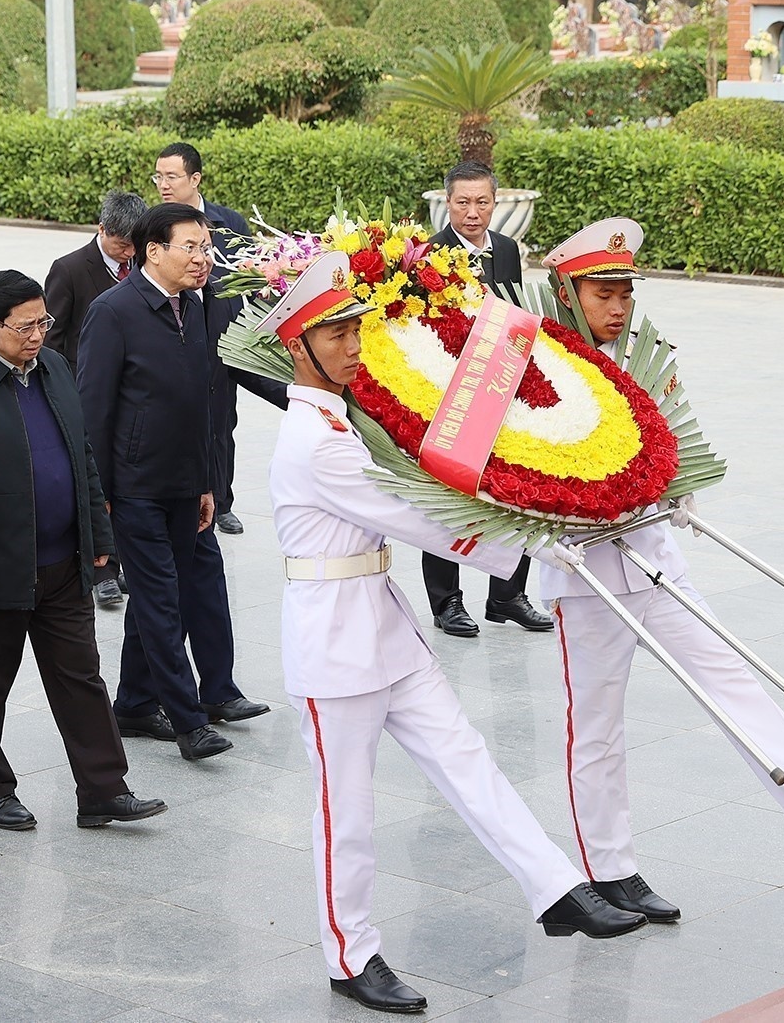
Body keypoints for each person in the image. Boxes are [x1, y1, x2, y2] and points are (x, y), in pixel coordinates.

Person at [259, 254, 645, 1014]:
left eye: (353, 330)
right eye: (332, 335)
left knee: (470, 763)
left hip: (384, 626)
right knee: (349, 810)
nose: (350, 346)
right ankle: (351, 953)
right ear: (296, 347)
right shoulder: (316, 441)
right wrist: (532, 536)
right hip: (334, 646)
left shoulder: (343, 419)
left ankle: (558, 887)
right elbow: (415, 517)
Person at [540, 217, 784, 925]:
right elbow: (503, 474)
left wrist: (678, 489)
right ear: (568, 290)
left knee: (730, 670)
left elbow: (667, 436)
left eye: (625, 293)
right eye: (603, 292)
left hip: (653, 554)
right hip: (585, 574)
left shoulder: (641, 357)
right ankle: (612, 871)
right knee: (599, 727)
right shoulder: (542, 368)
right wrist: (535, 541)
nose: (617, 307)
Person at [0, 270, 167, 832]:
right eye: (24, 326)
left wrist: (100, 539)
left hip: (62, 564)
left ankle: (103, 789)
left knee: (81, 676)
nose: (37, 335)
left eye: (43, 322)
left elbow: (81, 456)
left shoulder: (53, 367)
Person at [77, 203, 268, 762]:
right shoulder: (113, 312)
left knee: (181, 591)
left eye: (207, 248)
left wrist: (209, 482)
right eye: (191, 247)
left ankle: (135, 704)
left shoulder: (198, 308)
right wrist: (101, 497)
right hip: (134, 488)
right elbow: (95, 412)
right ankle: (188, 722)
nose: (203, 259)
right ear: (152, 251)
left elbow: (202, 403)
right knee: (161, 599)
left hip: (188, 482)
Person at [423, 161, 553, 638]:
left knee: (514, 490)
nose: (473, 212)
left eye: (482, 202)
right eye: (463, 202)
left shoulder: (507, 249)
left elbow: (515, 313)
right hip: (448, 390)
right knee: (445, 496)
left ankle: (507, 596)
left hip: (501, 386)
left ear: (495, 203)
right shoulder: (428, 255)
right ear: (447, 203)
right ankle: (447, 602)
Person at [43, 190, 146, 610]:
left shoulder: (142, 265)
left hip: (134, 398)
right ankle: (102, 571)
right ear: (100, 230)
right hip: (85, 396)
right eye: (121, 244)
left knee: (126, 482)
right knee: (94, 483)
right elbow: (50, 339)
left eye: (134, 245)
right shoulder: (68, 269)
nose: (128, 252)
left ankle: (122, 563)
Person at [152, 141, 254, 535]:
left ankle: (222, 500)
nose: (163, 184)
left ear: (195, 179)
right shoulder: (155, 224)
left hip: (221, 336)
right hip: (174, 334)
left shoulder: (228, 223)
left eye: (171, 176)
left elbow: (252, 275)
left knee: (222, 423)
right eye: (158, 176)